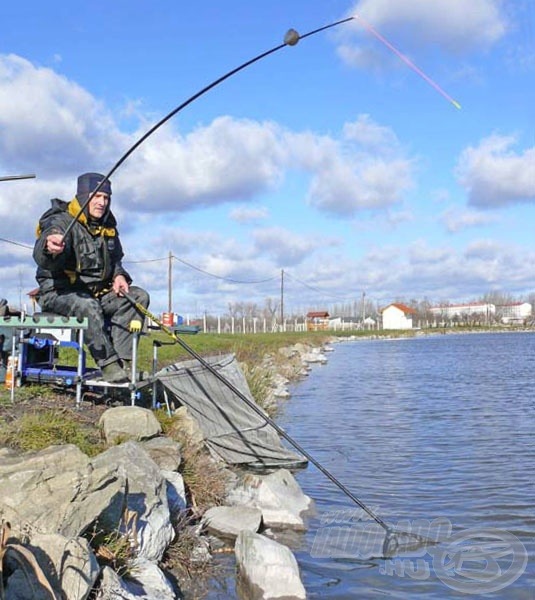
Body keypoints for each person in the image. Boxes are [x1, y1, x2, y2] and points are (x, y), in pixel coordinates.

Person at [33, 172, 150, 383]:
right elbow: (44, 252)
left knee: (138, 296)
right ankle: (108, 364)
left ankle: (123, 363)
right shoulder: (62, 220)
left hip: (96, 294)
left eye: (106, 197)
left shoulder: (108, 226)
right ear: (84, 196)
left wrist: (118, 276)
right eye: (96, 196)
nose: (102, 202)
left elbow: (115, 261)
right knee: (87, 305)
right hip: (58, 293)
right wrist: (51, 247)